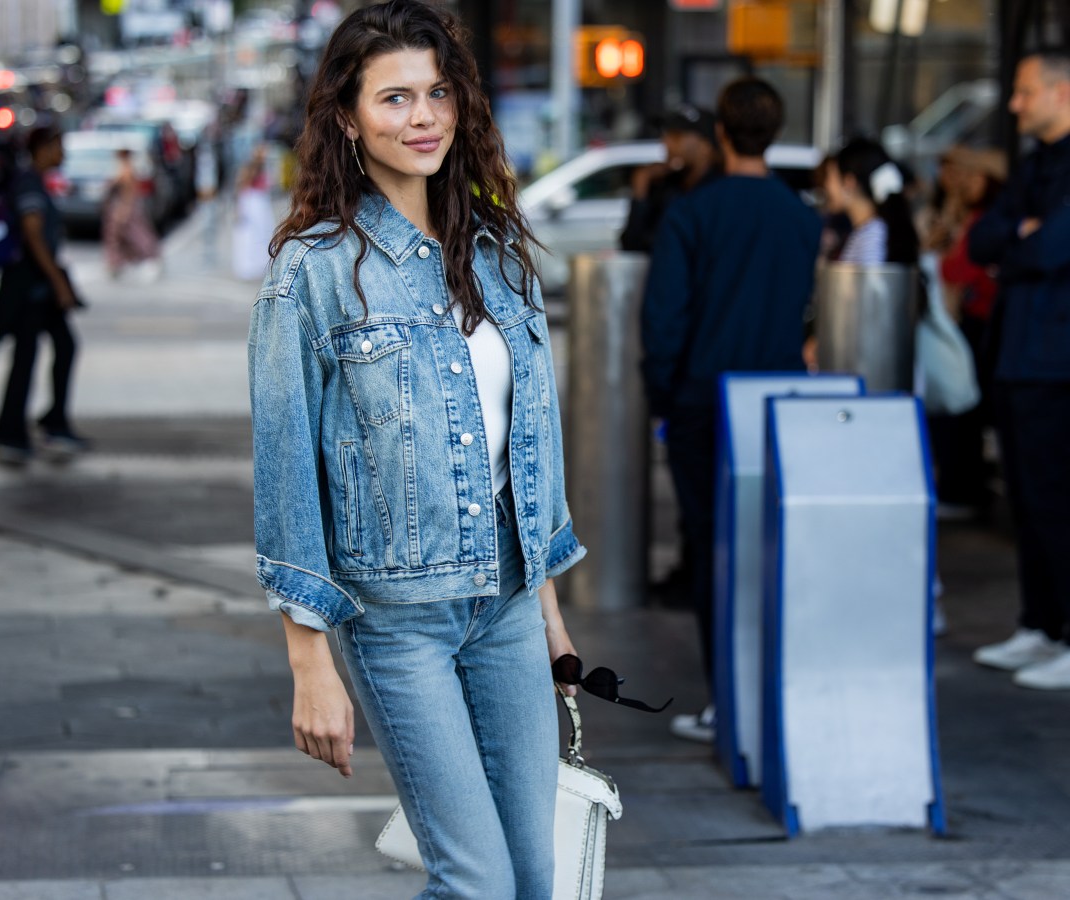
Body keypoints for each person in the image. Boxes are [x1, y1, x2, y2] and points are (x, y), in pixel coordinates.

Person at [248, 2, 585, 896]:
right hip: (397, 620)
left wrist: (549, 614)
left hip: (509, 605)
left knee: (534, 879)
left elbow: (529, 450)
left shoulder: (501, 254)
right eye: (394, 98)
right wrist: (308, 661)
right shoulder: (312, 271)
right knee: (474, 880)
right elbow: (286, 469)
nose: (423, 116)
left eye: (438, 92)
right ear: (348, 117)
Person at [641, 77, 821, 743]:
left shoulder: (694, 212)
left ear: (721, 131)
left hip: (702, 402)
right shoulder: (802, 217)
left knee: (712, 547)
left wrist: (661, 394)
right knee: (771, 548)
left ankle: (729, 703)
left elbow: (664, 319)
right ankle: (774, 694)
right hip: (778, 405)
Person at [968, 48, 1070, 690]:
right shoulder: (1035, 167)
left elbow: (1054, 246)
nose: (1014, 103)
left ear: (1062, 92)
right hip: (1018, 358)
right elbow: (982, 242)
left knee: (1060, 500)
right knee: (1030, 499)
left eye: (1025, 91)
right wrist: (1023, 237)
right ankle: (1042, 623)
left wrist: (1025, 241)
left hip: (1059, 362)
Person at [0, 125, 88, 466]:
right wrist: (59, 283)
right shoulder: (29, 183)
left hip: (39, 288)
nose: (63, 153)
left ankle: (52, 421)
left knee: (63, 345)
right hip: (28, 289)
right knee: (26, 358)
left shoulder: (35, 182)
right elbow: (34, 238)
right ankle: (10, 433)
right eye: (59, 145)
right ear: (44, 148)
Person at [929, 148, 1006, 514]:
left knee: (965, 407)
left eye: (973, 177)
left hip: (981, 318)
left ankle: (964, 488)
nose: (962, 183)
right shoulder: (974, 217)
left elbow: (959, 268)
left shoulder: (988, 221)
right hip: (974, 316)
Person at [619, 103, 719, 253]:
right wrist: (641, 188)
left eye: (676, 136)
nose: (666, 143)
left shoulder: (721, 190)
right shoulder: (665, 188)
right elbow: (632, 244)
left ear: (705, 145)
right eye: (666, 135)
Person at [823, 137, 920, 265]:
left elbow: (871, 283)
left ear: (849, 182)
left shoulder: (873, 237)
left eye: (830, 178)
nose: (826, 185)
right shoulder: (868, 232)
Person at [102, 148, 162, 279]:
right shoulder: (123, 168)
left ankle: (149, 259)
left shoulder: (127, 170)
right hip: (121, 209)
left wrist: (124, 210)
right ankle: (117, 264)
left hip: (125, 209)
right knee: (118, 238)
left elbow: (129, 193)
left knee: (137, 236)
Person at [232, 143, 275, 281]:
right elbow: (242, 186)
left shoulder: (262, 168)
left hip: (259, 202)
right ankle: (250, 265)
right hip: (252, 202)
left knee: (261, 233)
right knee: (251, 235)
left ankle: (258, 264)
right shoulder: (250, 168)